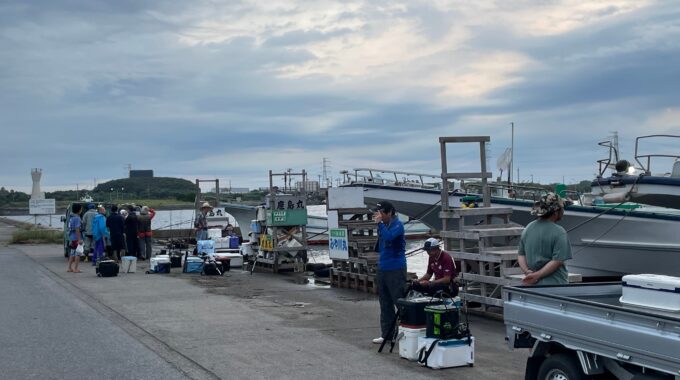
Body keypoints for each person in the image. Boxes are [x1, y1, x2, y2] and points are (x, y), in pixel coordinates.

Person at [518, 192, 573, 285]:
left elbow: (521, 255)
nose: (563, 211)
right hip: (555, 285)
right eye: (562, 208)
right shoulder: (559, 231)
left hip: (532, 285)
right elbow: (558, 261)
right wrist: (538, 275)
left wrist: (527, 272)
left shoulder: (528, 228)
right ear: (556, 212)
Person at [371, 200, 407, 345]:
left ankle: (409, 331)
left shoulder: (398, 225)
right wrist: (380, 225)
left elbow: (389, 237)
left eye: (381, 213)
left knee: (399, 300)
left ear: (390, 212)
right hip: (383, 267)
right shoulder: (383, 225)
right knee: (384, 303)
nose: (379, 216)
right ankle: (387, 334)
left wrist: (379, 224)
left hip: (396, 268)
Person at [67, 204, 83, 273]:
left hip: (72, 237)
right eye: (81, 209)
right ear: (79, 210)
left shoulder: (71, 217)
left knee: (72, 253)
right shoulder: (77, 218)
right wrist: (79, 239)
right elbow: (77, 229)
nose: (81, 210)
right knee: (78, 253)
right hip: (76, 238)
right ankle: (76, 268)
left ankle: (69, 268)